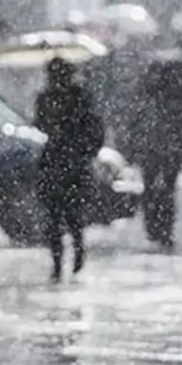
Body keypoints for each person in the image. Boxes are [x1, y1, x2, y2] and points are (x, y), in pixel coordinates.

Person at [34, 58, 103, 283]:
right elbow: (40, 124)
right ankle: (58, 263)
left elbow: (93, 129)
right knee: (54, 218)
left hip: (72, 164)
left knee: (71, 216)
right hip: (55, 163)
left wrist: (82, 149)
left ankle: (76, 254)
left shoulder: (80, 97)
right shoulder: (46, 97)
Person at [128, 60, 182, 248]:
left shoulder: (148, 97)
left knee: (154, 191)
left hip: (157, 151)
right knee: (163, 192)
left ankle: (157, 228)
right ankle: (161, 229)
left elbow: (134, 125)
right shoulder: (174, 98)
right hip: (162, 151)